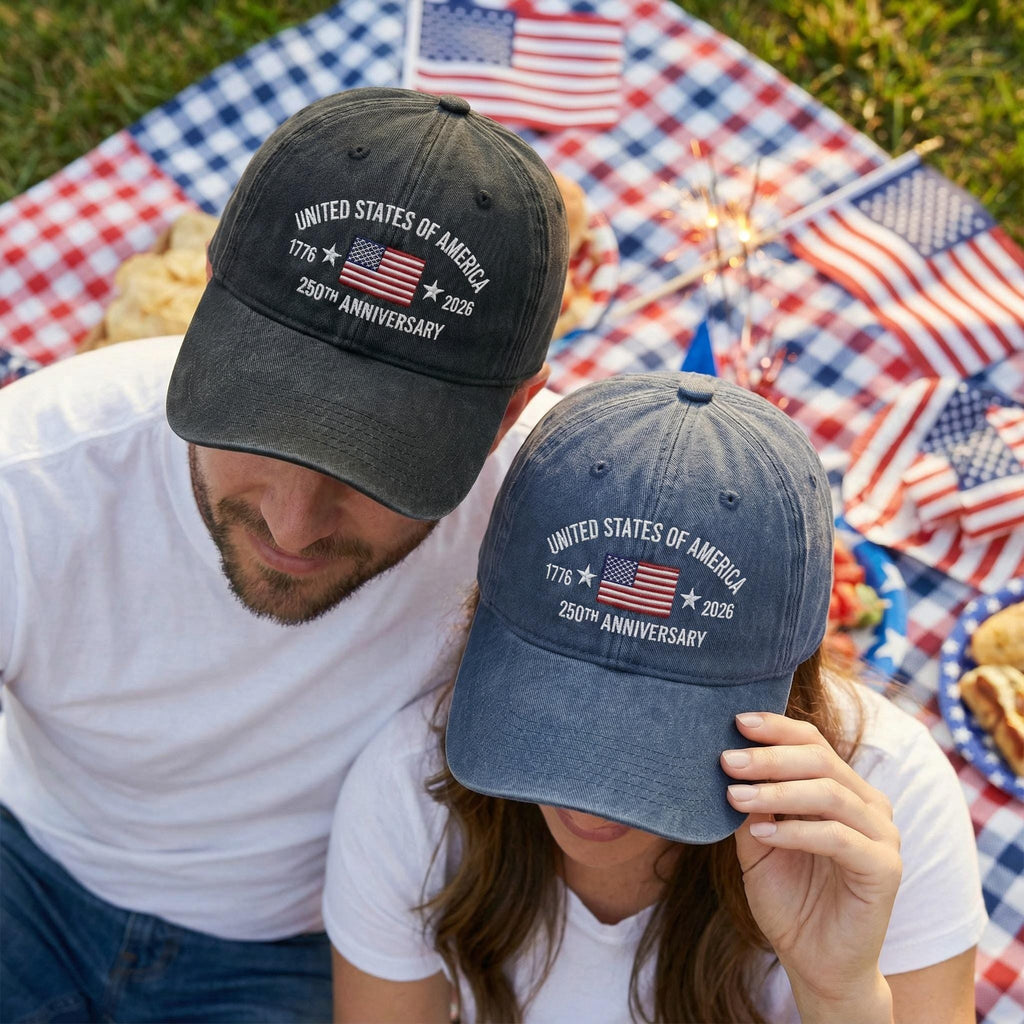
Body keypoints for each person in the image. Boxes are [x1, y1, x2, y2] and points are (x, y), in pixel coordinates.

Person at [0, 88, 568, 1021]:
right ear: (207, 302)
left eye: (381, 466)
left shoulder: (560, 519)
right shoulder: (32, 476)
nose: (294, 526)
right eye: (261, 426)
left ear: (508, 412)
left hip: (311, 942)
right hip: (27, 861)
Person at [324, 372, 986, 1023]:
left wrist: (840, 997)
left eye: (656, 727)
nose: (590, 784)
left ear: (792, 680)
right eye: (555, 705)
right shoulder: (406, 792)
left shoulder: (889, 805)